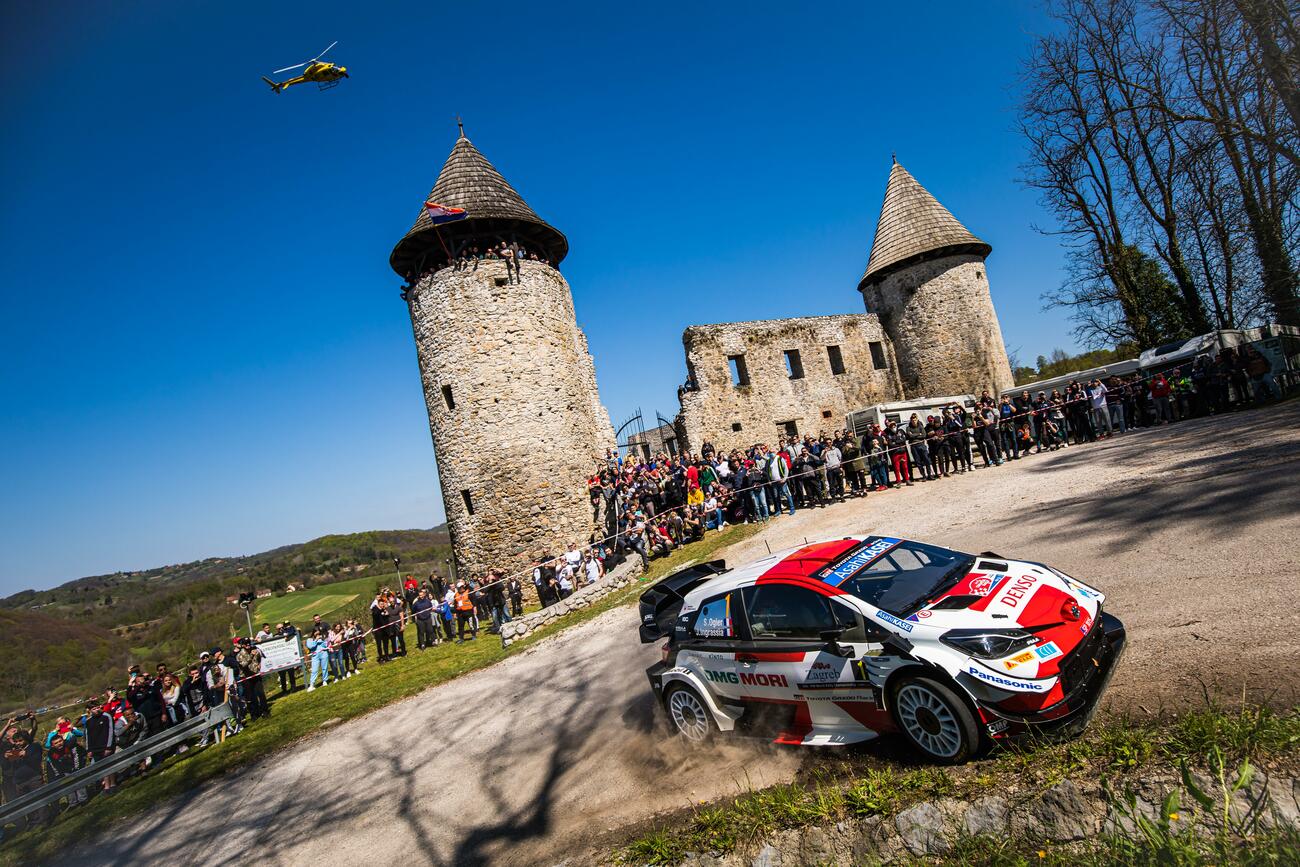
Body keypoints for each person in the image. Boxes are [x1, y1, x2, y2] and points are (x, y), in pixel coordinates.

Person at [236, 639, 270, 718]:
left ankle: (265, 711)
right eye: (245, 643)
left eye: (248, 643)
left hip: (256, 674)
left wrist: (260, 664)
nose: (248, 644)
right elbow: (244, 665)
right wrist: (251, 655)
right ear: (242, 645)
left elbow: (261, 657)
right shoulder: (239, 655)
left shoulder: (255, 650)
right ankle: (255, 712)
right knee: (251, 696)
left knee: (261, 693)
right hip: (246, 677)